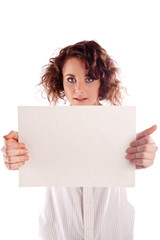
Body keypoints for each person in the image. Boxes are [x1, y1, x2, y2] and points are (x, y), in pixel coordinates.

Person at [1, 40, 158, 240]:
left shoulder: (119, 127)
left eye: (90, 78)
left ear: (103, 82)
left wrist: (146, 155)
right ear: (61, 82)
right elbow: (21, 159)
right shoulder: (44, 130)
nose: (79, 89)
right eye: (71, 79)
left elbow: (137, 158)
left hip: (114, 233)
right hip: (60, 233)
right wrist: (12, 156)